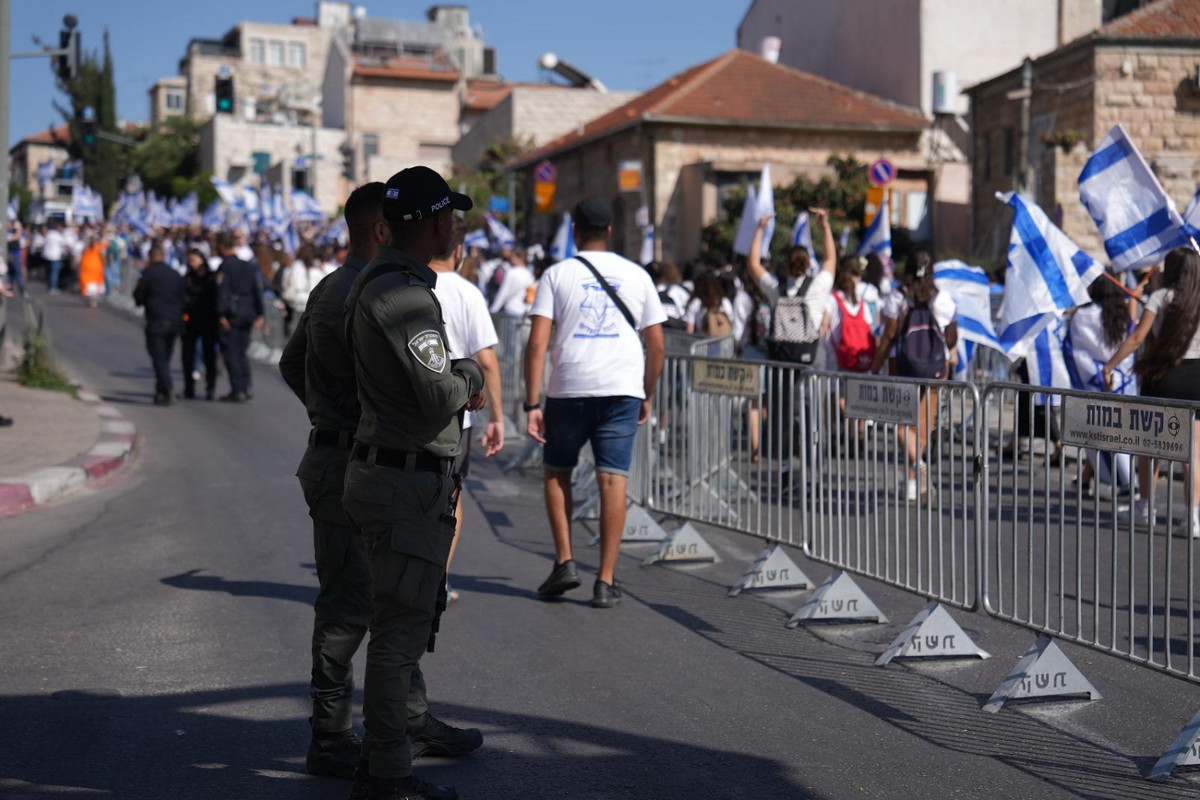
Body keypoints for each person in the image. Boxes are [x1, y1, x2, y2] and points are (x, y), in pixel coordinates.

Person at [341, 167, 485, 800]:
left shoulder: (378, 282)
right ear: (431, 224)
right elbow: (436, 394)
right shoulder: (404, 295)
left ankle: (382, 760)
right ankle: (387, 775)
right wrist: (471, 376)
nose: (453, 227)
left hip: (386, 471)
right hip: (403, 481)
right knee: (398, 639)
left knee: (394, 627)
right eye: (448, 216)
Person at [524, 198, 666, 608]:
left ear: (574, 232)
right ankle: (605, 580)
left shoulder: (556, 274)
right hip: (622, 388)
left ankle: (565, 561)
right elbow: (657, 346)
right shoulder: (637, 275)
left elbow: (537, 343)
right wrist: (647, 392)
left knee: (557, 472)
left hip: (569, 386)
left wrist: (531, 403)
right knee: (613, 480)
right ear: (609, 231)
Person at [430, 218, 505, 603]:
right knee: (451, 497)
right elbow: (486, 360)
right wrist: (498, 418)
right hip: (458, 414)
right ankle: (438, 580)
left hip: (410, 408)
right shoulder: (467, 292)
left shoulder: (406, 284)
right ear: (458, 251)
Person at [1103, 247, 1200, 535]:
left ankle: (1146, 507)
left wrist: (1111, 365)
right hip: (1196, 378)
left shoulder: (1160, 297)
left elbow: (1137, 338)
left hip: (1164, 375)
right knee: (1194, 452)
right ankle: (1193, 517)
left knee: (1149, 446)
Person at [870, 250, 958, 501]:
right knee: (923, 425)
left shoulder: (897, 297)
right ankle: (915, 476)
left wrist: (876, 366)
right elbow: (951, 338)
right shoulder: (943, 298)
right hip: (936, 367)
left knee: (902, 425)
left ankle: (914, 472)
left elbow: (888, 335)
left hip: (903, 365)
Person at [1067, 275, 1139, 500]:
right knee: (1119, 434)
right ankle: (1111, 479)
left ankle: (1127, 481)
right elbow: (1131, 345)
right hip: (1123, 382)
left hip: (1096, 381)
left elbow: (1075, 351)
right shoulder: (1122, 315)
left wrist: (1096, 375)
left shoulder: (1082, 316)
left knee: (1101, 434)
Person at [132, 243, 185, 406]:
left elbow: (139, 297)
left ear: (150, 258)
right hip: (175, 321)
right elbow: (184, 296)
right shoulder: (175, 274)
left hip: (157, 321)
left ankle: (167, 389)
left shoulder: (149, 274)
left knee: (158, 358)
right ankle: (160, 391)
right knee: (165, 357)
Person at [215, 232, 264, 403]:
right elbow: (256, 290)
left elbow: (222, 291)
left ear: (222, 247)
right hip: (248, 312)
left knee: (231, 352)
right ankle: (246, 385)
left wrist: (221, 314)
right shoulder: (247, 266)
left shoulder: (225, 266)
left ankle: (238, 389)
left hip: (233, 314)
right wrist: (260, 313)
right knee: (242, 352)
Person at [181, 248, 220, 400]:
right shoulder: (188, 278)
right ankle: (188, 387)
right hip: (191, 321)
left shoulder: (211, 279)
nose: (192, 263)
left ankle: (210, 387)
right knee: (188, 356)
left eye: (194, 260)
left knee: (209, 356)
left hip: (208, 321)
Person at [488, 247, 534, 318]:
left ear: (518, 258)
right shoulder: (529, 275)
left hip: (509, 310)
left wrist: (492, 311)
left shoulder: (511, 272)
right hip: (522, 311)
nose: (509, 260)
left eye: (512, 257)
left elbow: (503, 293)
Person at [78, 236, 106, 308]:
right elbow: (106, 245)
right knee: (94, 285)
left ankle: (92, 301)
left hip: (87, 269)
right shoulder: (97, 248)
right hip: (95, 268)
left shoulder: (85, 249)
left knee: (89, 285)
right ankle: (93, 301)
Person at [43, 222, 66, 294]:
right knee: (54, 273)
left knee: (50, 272)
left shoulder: (48, 234)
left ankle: (49, 286)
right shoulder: (58, 235)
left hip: (48, 255)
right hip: (55, 256)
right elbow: (64, 243)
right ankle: (53, 288)